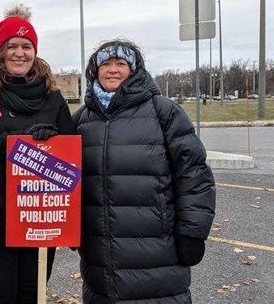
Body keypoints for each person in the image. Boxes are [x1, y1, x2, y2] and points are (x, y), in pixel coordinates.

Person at [72, 38, 216, 303]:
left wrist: (192, 232)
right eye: (105, 64)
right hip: (99, 260)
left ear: (134, 70)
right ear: (95, 71)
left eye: (121, 63)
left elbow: (194, 175)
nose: (112, 70)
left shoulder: (164, 112)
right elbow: (65, 176)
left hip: (158, 251)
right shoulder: (81, 120)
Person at [0, 4, 75, 303]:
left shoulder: (52, 96)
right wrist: (18, 144)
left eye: (26, 46)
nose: (19, 53)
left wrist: (52, 142)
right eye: (12, 46)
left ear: (35, 51)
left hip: (39, 208)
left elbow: (70, 149)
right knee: (0, 293)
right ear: (0, 52)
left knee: (32, 291)